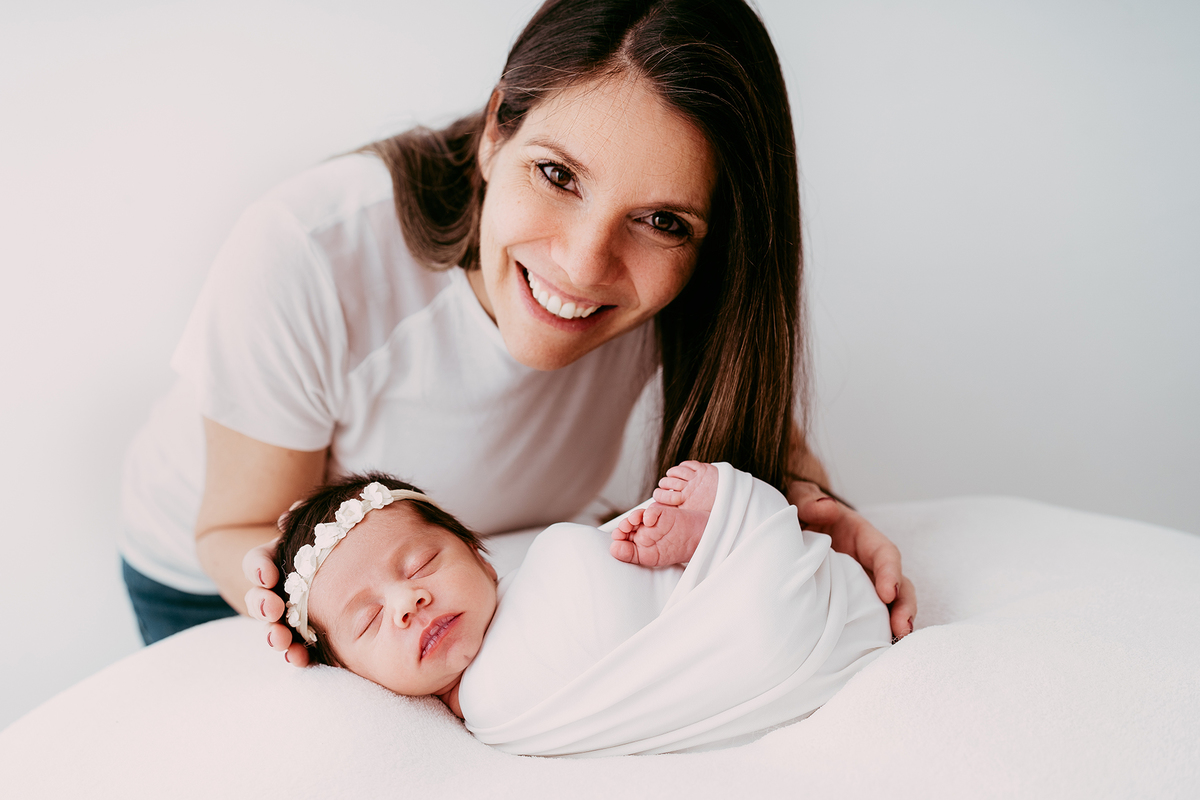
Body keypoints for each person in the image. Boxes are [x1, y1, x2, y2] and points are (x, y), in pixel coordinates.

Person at [118, 0, 915, 653]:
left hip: (459, 586)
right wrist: (300, 611)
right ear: (497, 129)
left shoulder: (692, 299)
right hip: (225, 578)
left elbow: (768, 453)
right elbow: (237, 526)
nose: (582, 262)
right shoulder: (311, 251)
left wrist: (812, 511)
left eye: (662, 221)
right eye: (558, 175)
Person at [271, 462, 891, 756]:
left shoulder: (533, 579)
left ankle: (709, 538)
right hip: (753, 646)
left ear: (482, 558)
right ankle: (732, 533)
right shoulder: (492, 714)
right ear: (356, 678)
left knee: (579, 549)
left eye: (421, 565)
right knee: (767, 632)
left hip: (693, 604)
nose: (408, 602)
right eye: (370, 621)